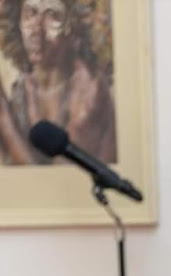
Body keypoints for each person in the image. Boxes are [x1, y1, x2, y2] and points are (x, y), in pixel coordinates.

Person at [0, 0, 116, 165]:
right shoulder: (22, 87)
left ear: (72, 25)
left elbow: (58, 178)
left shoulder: (88, 91)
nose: (36, 29)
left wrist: (4, 118)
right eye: (30, 13)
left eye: (53, 16)